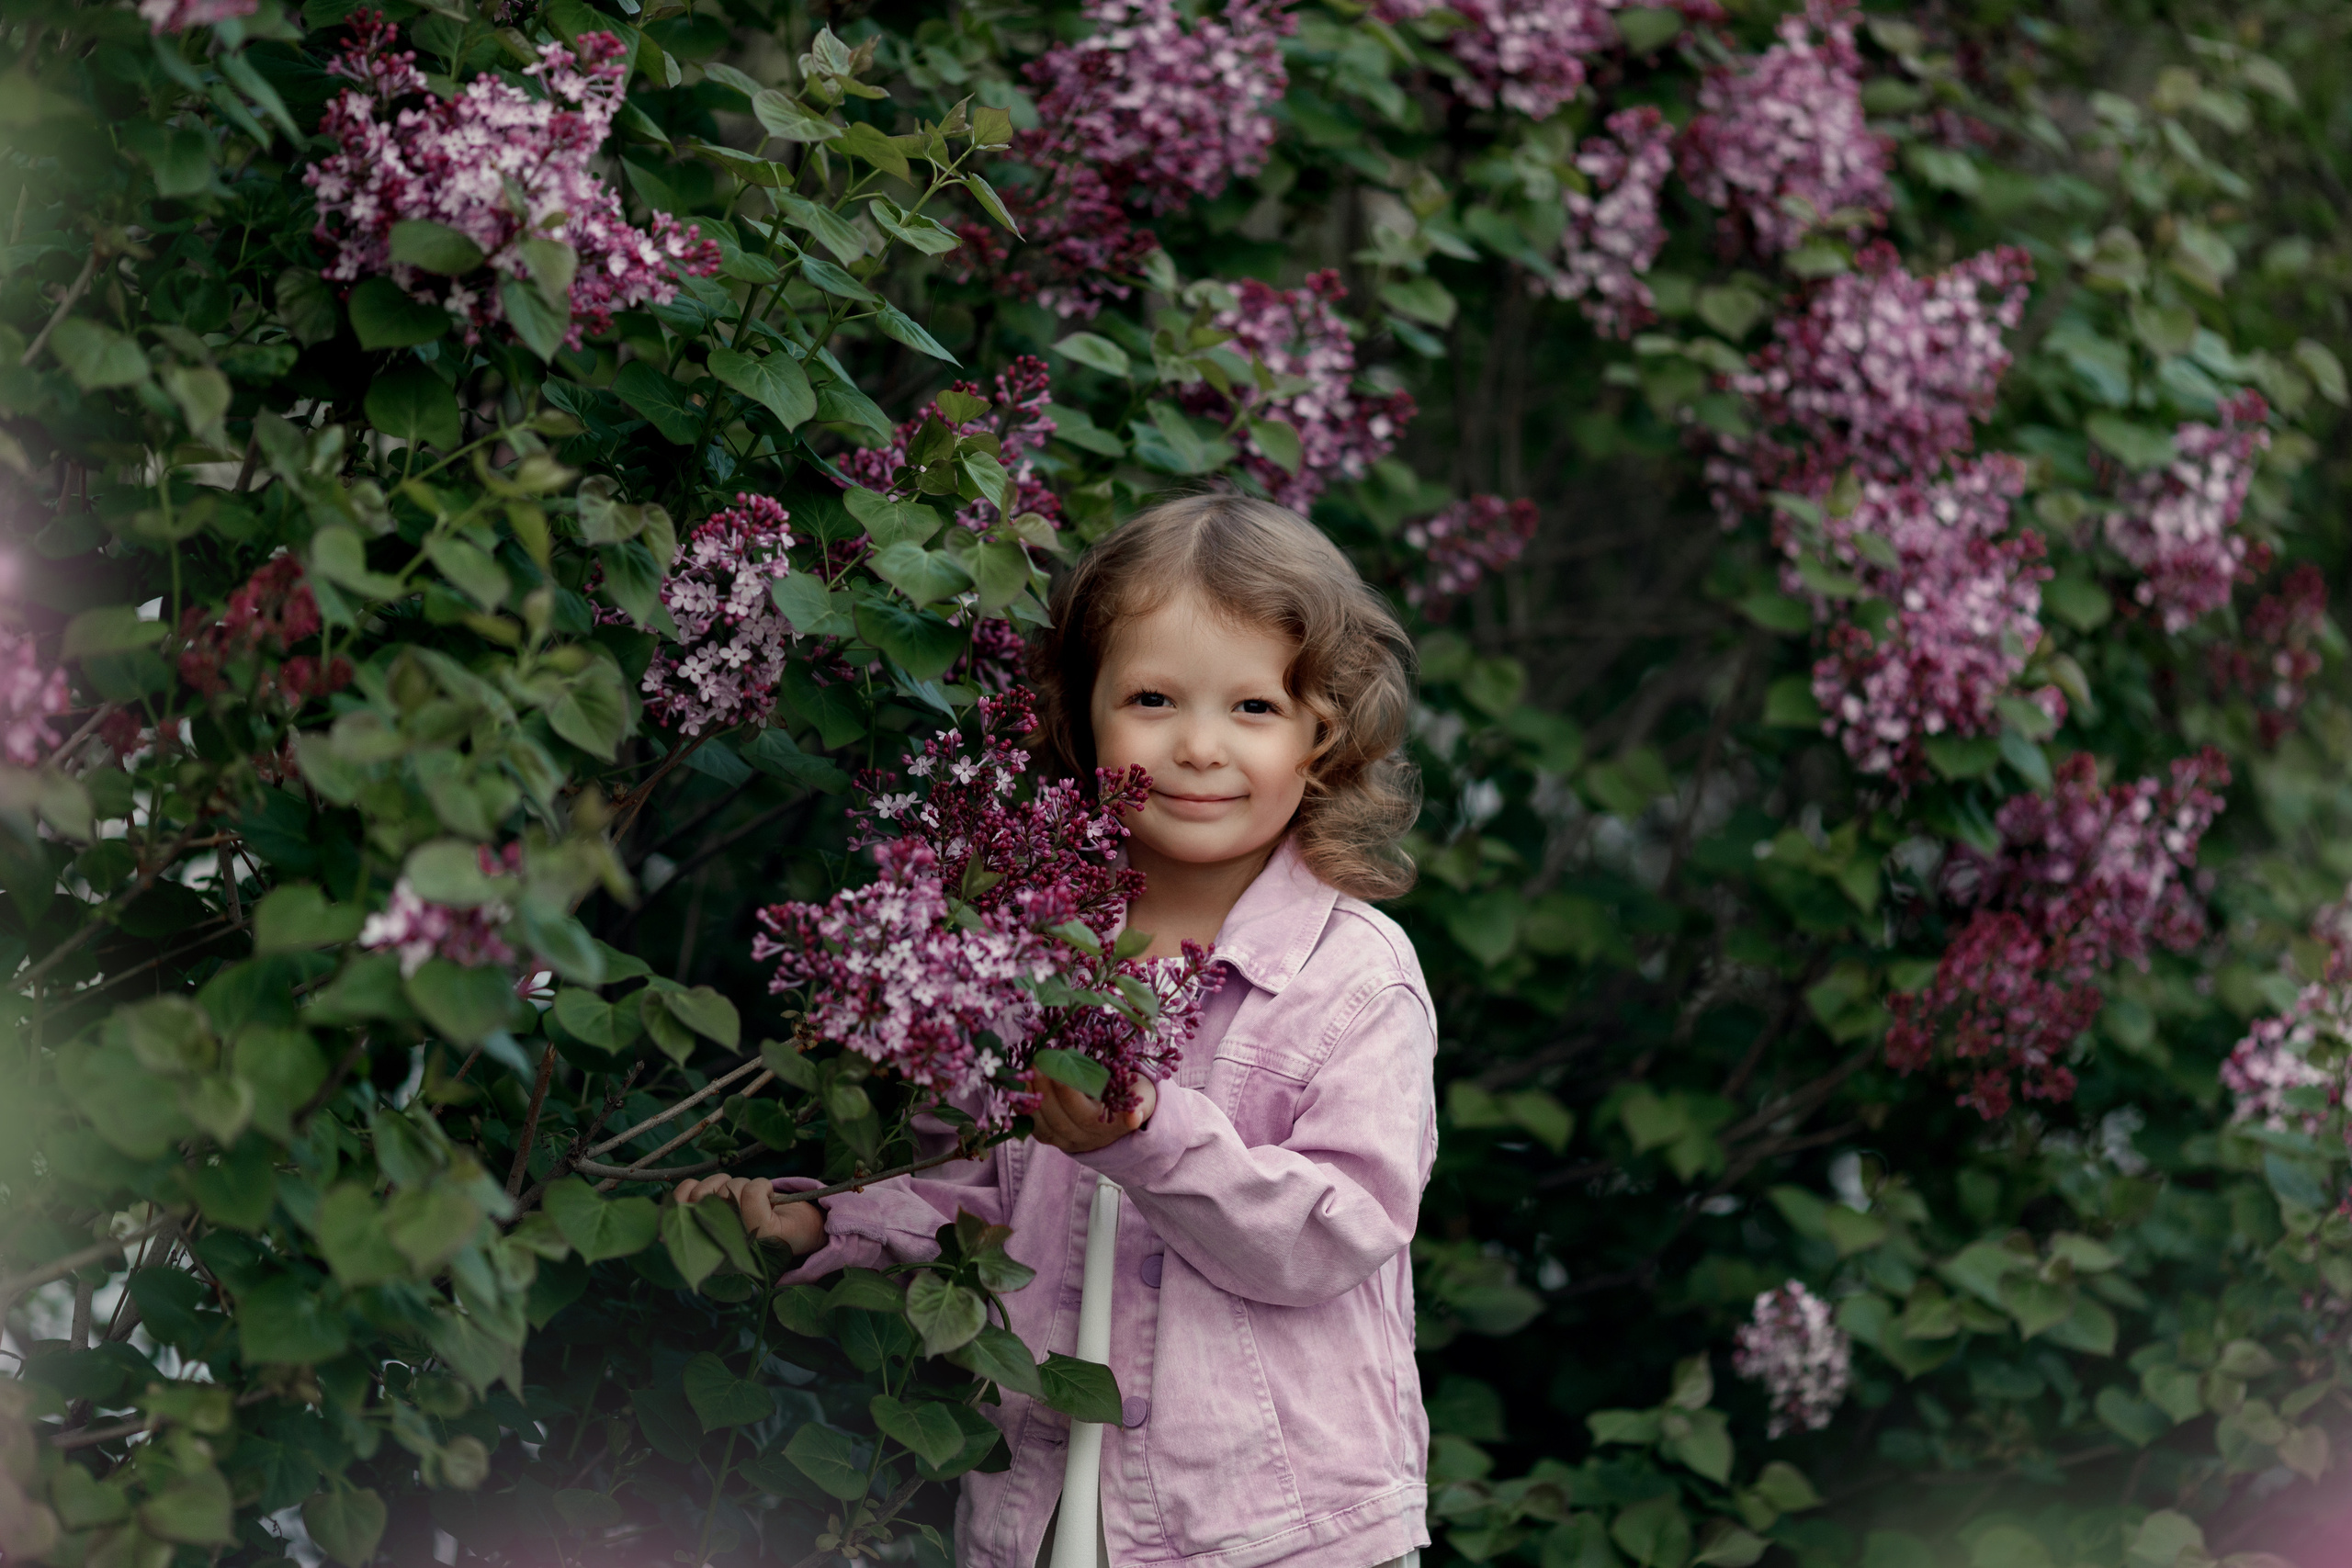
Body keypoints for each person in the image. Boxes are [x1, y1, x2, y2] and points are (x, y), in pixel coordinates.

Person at [677, 494, 1438, 1568]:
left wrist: (1148, 1138)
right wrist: (827, 1226)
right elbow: (978, 1199)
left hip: (1276, 1531)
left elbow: (1335, 1235)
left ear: (1325, 734)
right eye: (1153, 697)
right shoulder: (1029, 954)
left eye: (1254, 708)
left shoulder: (1354, 975)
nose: (1198, 746)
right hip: (1042, 1514)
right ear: (1082, 719)